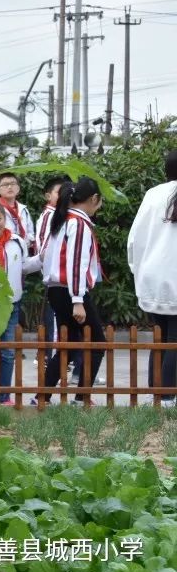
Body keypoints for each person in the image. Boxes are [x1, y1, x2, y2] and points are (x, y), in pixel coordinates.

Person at [40, 178, 106, 404]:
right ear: (94, 200)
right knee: (97, 343)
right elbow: (76, 262)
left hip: (57, 290)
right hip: (71, 291)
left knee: (69, 343)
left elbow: (47, 256)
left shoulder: (62, 220)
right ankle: (81, 397)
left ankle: (44, 395)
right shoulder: (78, 224)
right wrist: (78, 299)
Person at [0, 202, 41, 403]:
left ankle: (4, 396)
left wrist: (43, 257)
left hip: (12, 304)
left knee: (7, 351)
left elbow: (23, 266)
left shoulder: (17, 241)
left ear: (5, 219)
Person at [128, 150, 177, 406]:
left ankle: (157, 395)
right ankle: (168, 397)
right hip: (174, 276)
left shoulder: (152, 194)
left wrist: (138, 270)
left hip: (151, 277)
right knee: (174, 341)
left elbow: (134, 239)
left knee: (159, 337)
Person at [34, 176, 67, 364]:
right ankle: (53, 360)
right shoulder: (50, 215)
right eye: (58, 192)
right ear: (48, 195)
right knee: (55, 320)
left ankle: (59, 361)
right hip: (55, 275)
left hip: (58, 274)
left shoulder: (59, 214)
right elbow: (44, 246)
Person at [0, 172, 35, 252]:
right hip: (3, 252)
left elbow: (30, 231)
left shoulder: (24, 209)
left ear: (18, 189)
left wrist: (27, 241)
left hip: (23, 251)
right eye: (5, 185)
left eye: (13, 184)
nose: (10, 187)